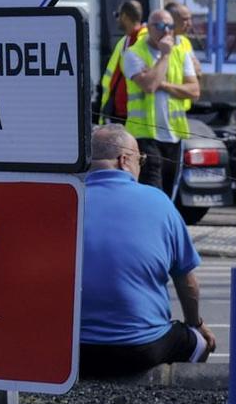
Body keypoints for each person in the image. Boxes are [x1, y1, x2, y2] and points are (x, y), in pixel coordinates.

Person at [76, 125, 216, 377]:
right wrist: (196, 324)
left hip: (75, 350)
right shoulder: (158, 201)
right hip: (142, 348)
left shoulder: (67, 200)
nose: (141, 166)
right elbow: (187, 283)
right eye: (140, 159)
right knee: (200, 342)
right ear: (124, 160)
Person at [124, 8, 200, 197]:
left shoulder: (180, 53)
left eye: (170, 26)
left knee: (170, 195)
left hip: (174, 136)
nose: (166, 31)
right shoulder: (134, 54)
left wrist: (163, 84)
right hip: (145, 136)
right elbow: (149, 85)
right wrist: (164, 55)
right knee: (152, 193)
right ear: (148, 28)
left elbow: (194, 91)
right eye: (159, 26)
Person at [97, 0, 145, 124]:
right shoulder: (125, 41)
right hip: (118, 110)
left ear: (124, 16)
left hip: (133, 114)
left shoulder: (143, 40)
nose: (117, 19)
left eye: (117, 15)